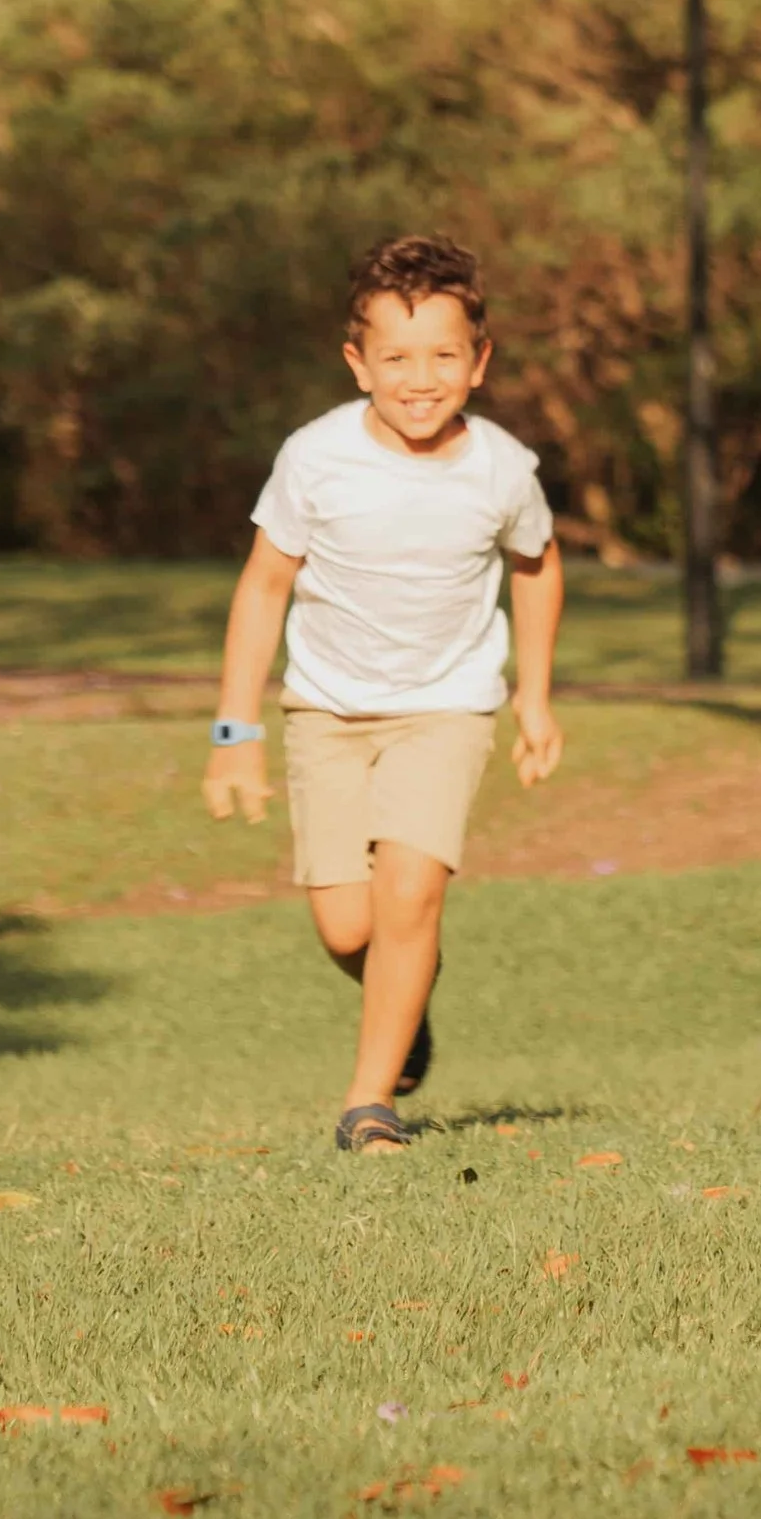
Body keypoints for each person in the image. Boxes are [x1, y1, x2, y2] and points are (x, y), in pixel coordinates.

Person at [201, 234, 564, 1153]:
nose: (420, 377)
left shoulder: (502, 468)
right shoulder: (314, 458)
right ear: (357, 362)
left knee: (409, 894)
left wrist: (533, 694)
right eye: (396, 357)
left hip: (447, 705)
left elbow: (538, 564)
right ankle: (405, 997)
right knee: (347, 920)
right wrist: (235, 728)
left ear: (479, 362)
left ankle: (370, 1105)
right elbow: (263, 586)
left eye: (444, 354)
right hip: (326, 709)